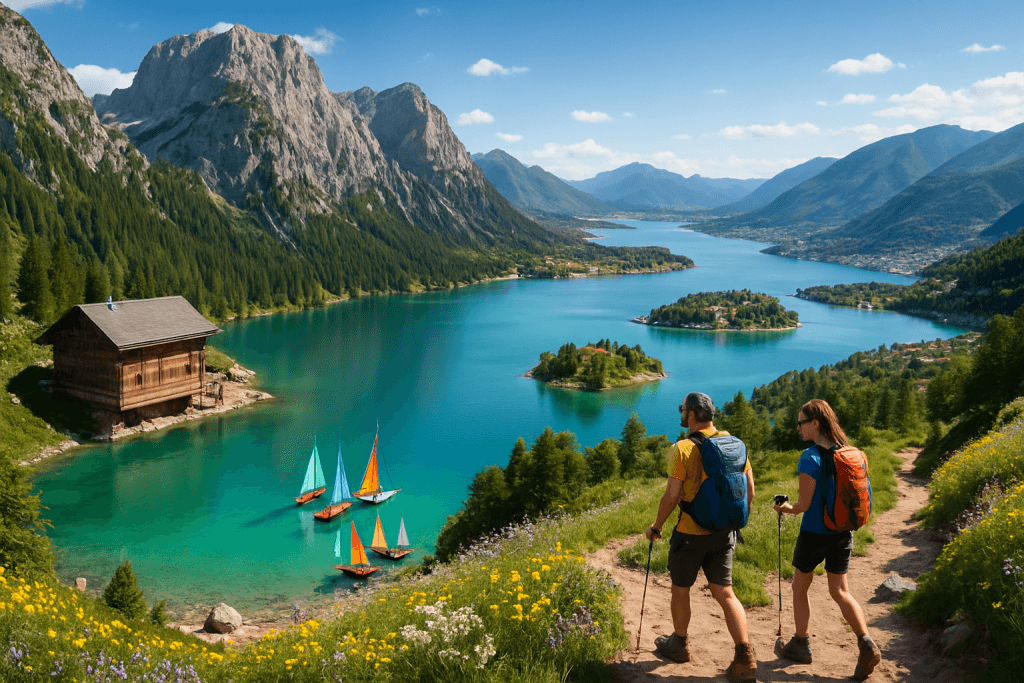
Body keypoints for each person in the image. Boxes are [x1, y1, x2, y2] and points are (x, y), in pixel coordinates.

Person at [645, 392, 757, 682]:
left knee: (681, 590)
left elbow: (672, 496)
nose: (681, 413)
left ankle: (679, 644)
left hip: (690, 533)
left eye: (682, 409)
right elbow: (749, 489)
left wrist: (656, 526)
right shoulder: (732, 443)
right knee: (725, 592)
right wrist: (729, 520)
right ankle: (744, 655)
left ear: (692, 415)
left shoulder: (682, 448)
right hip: (725, 533)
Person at [773, 398, 882, 680]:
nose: (798, 428)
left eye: (801, 423)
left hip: (813, 534)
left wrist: (785, 508)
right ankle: (866, 641)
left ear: (815, 423)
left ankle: (801, 643)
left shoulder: (809, 457)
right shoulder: (848, 454)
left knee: (800, 586)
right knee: (840, 591)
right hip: (842, 533)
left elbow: (804, 505)